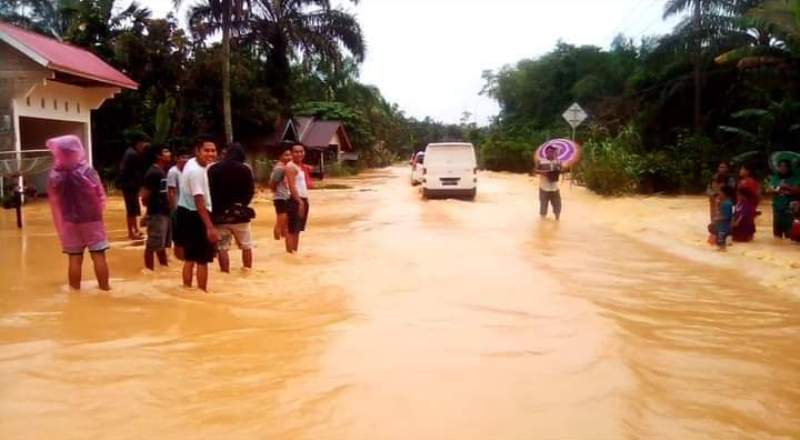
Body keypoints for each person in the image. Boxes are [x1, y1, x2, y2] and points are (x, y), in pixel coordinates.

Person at [46, 135, 110, 291]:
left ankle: (74, 292)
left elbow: (54, 199)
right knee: (98, 255)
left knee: (74, 259)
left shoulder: (55, 174)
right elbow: (100, 194)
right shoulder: (87, 170)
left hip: (68, 222)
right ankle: (105, 290)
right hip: (91, 219)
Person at [177, 136, 219, 291]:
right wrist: (210, 227)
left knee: (190, 257)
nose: (210, 153)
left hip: (185, 212)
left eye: (213, 150)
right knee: (202, 259)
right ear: (197, 151)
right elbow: (199, 202)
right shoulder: (196, 172)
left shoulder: (192, 163)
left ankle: (187, 289)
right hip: (196, 215)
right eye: (206, 150)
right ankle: (202, 292)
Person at [208, 143, 256, 273]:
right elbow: (250, 191)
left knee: (222, 247)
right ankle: (248, 271)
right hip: (240, 214)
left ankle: (225, 273)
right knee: (246, 245)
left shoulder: (213, 169)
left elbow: (210, 192)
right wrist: (242, 205)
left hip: (220, 215)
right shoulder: (245, 169)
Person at [141, 147, 172, 270]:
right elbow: (145, 195)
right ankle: (149, 270)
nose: (169, 153)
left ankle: (163, 268)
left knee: (161, 244)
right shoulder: (153, 173)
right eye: (165, 151)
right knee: (152, 244)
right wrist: (149, 213)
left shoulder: (161, 171)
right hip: (157, 212)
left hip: (163, 212)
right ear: (158, 156)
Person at [118, 133, 150, 239]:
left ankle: (135, 229)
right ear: (138, 144)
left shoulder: (131, 153)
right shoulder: (132, 154)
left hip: (130, 185)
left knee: (134, 209)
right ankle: (131, 232)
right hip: (129, 186)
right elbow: (132, 172)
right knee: (131, 210)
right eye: (142, 144)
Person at [284, 143, 310, 253]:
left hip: (302, 199)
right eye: (296, 151)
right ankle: (290, 253)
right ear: (292, 153)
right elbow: (292, 185)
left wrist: (305, 200)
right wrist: (299, 201)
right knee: (291, 229)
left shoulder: (299, 167)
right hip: (295, 200)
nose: (299, 154)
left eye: (301, 151)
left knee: (297, 229)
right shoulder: (290, 166)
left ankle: (294, 252)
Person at [167, 148, 190, 260]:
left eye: (187, 157)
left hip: (187, 208)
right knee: (178, 237)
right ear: (176, 158)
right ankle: (180, 259)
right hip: (177, 209)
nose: (185, 160)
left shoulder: (187, 171)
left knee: (186, 236)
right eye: (182, 157)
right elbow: (171, 191)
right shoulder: (173, 172)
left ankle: (184, 258)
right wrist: (174, 209)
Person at [768, 159, 800, 239]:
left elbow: (798, 190)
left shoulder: (795, 178)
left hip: (789, 210)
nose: (782, 168)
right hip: (777, 209)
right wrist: (776, 189)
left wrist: (787, 186)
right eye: (780, 166)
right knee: (777, 236)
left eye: (784, 166)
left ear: (788, 168)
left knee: (789, 236)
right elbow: (768, 189)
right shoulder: (775, 177)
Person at [270, 147, 293, 241]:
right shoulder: (280, 168)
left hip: (284, 197)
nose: (289, 157)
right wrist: (277, 192)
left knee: (284, 220)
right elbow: (273, 183)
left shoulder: (284, 167)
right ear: (280, 156)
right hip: (280, 198)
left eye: (290, 155)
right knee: (280, 221)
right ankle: (277, 238)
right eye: (286, 155)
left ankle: (282, 237)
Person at [535, 146, 563, 220]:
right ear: (546, 152)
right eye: (549, 152)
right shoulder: (541, 161)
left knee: (558, 207)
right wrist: (544, 173)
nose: (551, 153)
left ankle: (557, 221)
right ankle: (542, 224)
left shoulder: (558, 162)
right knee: (543, 208)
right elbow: (534, 172)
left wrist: (560, 168)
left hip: (555, 188)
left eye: (552, 152)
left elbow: (561, 171)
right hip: (544, 188)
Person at [711, 185, 736, 250]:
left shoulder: (726, 204)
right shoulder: (731, 203)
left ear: (724, 194)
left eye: (720, 193)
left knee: (721, 244)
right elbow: (733, 214)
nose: (719, 194)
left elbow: (726, 216)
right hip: (726, 226)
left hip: (723, 226)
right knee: (723, 243)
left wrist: (716, 219)